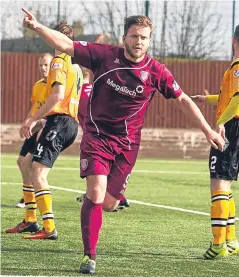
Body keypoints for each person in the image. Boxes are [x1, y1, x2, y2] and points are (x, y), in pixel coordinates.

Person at [22, 10, 225, 273]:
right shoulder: (105, 56)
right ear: (124, 37)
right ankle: (89, 256)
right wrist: (37, 26)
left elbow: (184, 100)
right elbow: (65, 45)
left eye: (143, 37)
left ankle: (106, 198)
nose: (138, 41)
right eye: (133, 36)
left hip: (128, 146)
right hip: (97, 137)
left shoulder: (156, 71)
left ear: (149, 41)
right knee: (95, 194)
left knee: (109, 203)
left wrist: (208, 130)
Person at [5, 20, 83, 240]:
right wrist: (40, 122)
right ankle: (31, 220)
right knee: (27, 163)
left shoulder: (59, 61)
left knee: (38, 173)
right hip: (65, 123)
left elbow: (57, 97)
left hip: (60, 122)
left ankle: (48, 227)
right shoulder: (75, 65)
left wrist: (32, 120)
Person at [191, 25, 239, 259]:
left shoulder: (238, 67)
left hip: (232, 127)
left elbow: (238, 100)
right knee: (226, 187)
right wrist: (206, 99)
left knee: (218, 186)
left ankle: (218, 246)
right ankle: (230, 239)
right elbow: (228, 97)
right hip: (235, 126)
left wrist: (220, 122)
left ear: (233, 41)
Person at [76, 66, 130, 211]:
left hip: (96, 137)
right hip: (107, 135)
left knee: (96, 168)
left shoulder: (82, 92)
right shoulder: (97, 90)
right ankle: (115, 197)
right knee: (101, 169)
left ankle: (114, 197)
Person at [15, 53, 53, 209]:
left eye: (46, 65)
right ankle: (29, 195)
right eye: (41, 65)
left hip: (45, 128)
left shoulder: (56, 86)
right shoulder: (38, 85)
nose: (43, 68)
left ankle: (31, 199)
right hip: (34, 127)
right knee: (20, 161)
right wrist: (27, 121)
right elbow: (35, 106)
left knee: (28, 164)